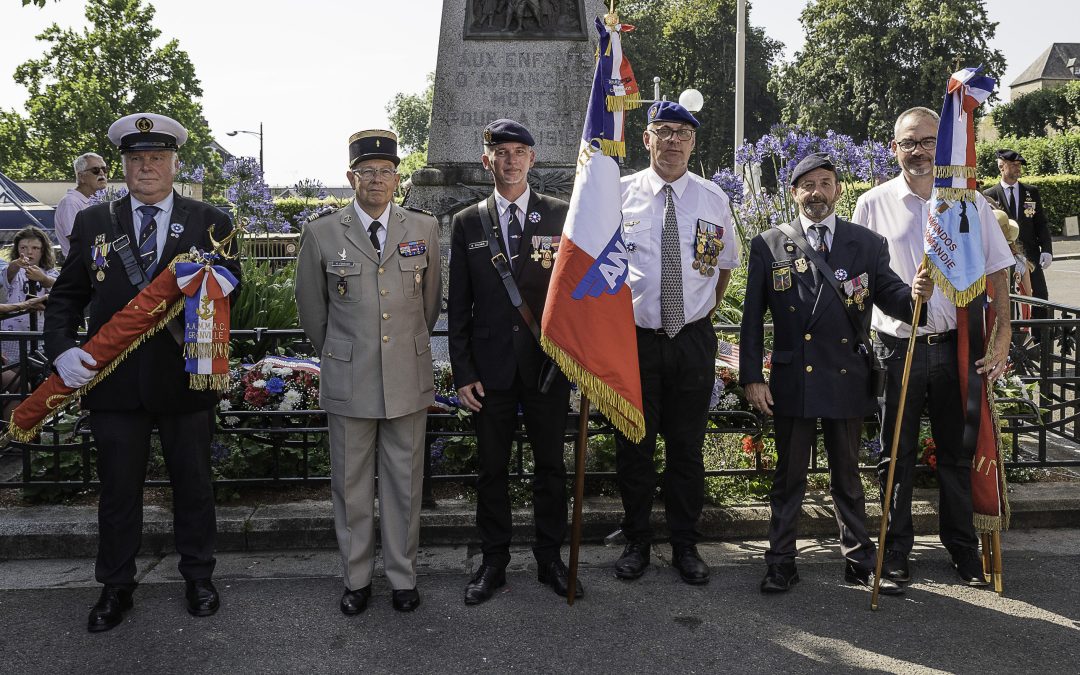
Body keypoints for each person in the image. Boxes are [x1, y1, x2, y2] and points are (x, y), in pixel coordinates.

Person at [43, 112, 240, 632]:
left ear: (175, 164)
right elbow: (67, 298)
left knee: (194, 485)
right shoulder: (93, 223)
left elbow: (230, 292)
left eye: (156, 158)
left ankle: (199, 576)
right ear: (123, 167)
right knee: (118, 491)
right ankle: (115, 586)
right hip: (113, 380)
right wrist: (63, 348)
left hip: (184, 375)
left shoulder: (211, 221)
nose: (146, 167)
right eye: (135, 159)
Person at [740, 153, 934, 595]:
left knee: (847, 475)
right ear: (794, 193)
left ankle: (860, 560)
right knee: (788, 478)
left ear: (838, 190)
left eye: (825, 183)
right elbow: (752, 320)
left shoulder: (865, 243)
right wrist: (753, 377)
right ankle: (781, 562)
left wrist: (918, 293)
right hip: (793, 380)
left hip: (846, 375)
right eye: (807, 185)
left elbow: (892, 297)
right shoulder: (768, 244)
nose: (816, 192)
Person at [853, 107, 1013, 587]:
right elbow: (858, 279)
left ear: (940, 147)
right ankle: (896, 550)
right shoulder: (872, 203)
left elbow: (997, 269)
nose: (918, 151)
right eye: (908, 143)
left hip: (954, 347)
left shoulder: (967, 203)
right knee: (895, 455)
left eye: (927, 141)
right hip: (896, 348)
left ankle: (961, 549)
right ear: (893, 148)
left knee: (957, 453)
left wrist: (1003, 334)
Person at [295, 129, 441, 614]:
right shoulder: (321, 232)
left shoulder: (422, 228)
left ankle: (403, 576)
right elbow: (313, 312)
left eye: (385, 172)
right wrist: (343, 352)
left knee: (404, 482)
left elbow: (431, 304)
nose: (377, 180)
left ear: (397, 177)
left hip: (406, 375)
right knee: (351, 484)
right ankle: (356, 578)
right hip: (350, 377)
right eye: (367, 172)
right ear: (350, 177)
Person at [447, 119, 578, 605]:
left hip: (547, 368)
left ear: (532, 158)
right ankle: (494, 561)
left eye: (519, 151)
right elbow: (458, 307)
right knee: (492, 471)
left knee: (550, 469)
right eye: (500, 152)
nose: (510, 160)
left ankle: (550, 558)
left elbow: (573, 296)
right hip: (491, 371)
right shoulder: (468, 221)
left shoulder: (560, 216)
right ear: (487, 160)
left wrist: (575, 361)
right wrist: (463, 374)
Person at [613, 101, 739, 585]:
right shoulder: (619, 194)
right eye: (662, 131)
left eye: (682, 134)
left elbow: (724, 267)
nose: (672, 141)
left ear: (693, 142)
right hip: (635, 342)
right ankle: (637, 541)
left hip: (691, 340)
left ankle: (685, 544)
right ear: (646, 139)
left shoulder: (711, 198)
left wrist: (700, 311)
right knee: (635, 447)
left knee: (687, 449)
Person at [983, 149, 1052, 342]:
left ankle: (1039, 341)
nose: (1017, 169)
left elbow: (1041, 224)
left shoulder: (1031, 192)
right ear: (1001, 166)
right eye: (1013, 165)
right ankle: (1011, 342)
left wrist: (1046, 249)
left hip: (1030, 256)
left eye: (1019, 165)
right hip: (1003, 258)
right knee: (1007, 300)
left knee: (1039, 296)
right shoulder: (989, 195)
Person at [1, 226, 59, 364]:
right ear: (17, 250)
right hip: (13, 336)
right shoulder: (12, 271)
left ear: (43, 250)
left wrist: (43, 279)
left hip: (40, 334)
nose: (29, 252)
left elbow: (61, 288)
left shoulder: (50, 272)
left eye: (35, 248)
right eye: (23, 248)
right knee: (14, 373)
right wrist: (17, 264)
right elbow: (7, 273)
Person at [54, 153, 109, 258]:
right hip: (80, 268)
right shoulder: (70, 202)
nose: (102, 173)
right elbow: (77, 241)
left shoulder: (99, 201)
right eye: (95, 170)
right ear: (81, 176)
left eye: (104, 169)